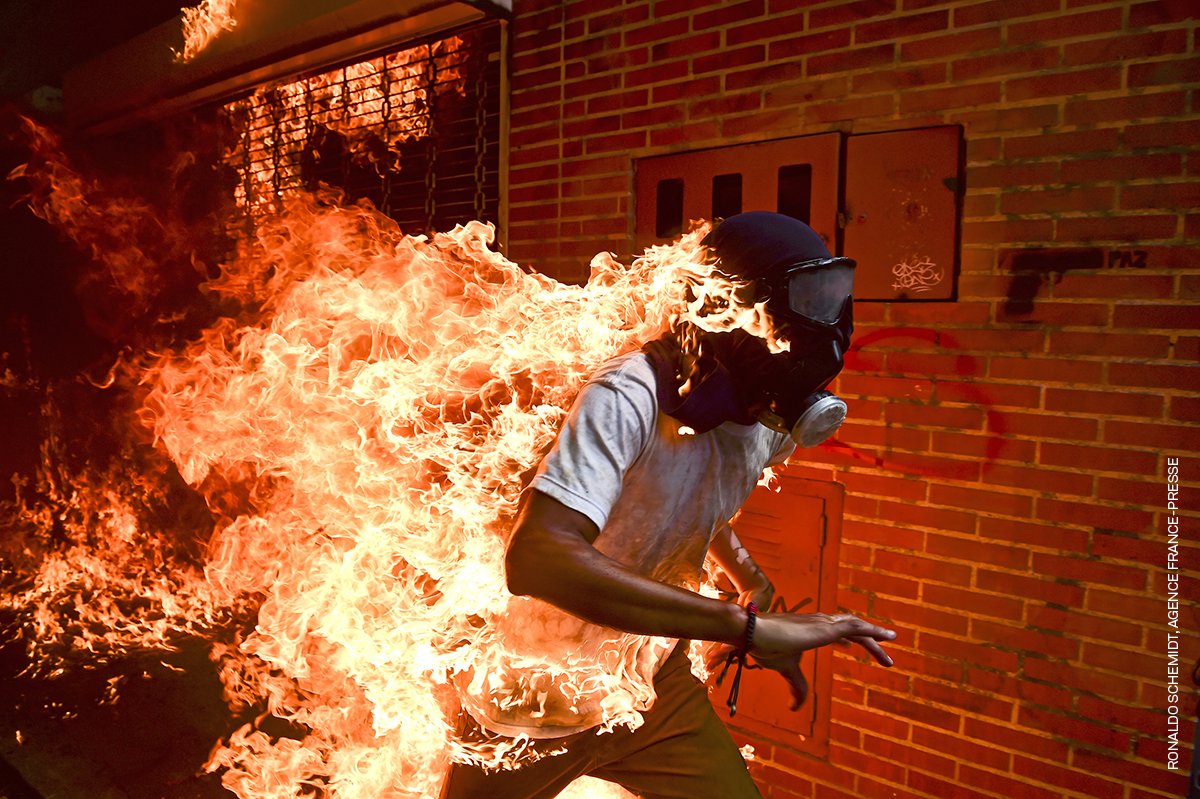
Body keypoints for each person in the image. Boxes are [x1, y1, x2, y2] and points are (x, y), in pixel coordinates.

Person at [441, 212, 897, 799]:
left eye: (833, 296)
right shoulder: (627, 395)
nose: (824, 325)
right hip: (535, 698)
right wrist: (747, 628)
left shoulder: (769, 419)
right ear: (726, 305)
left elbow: (686, 496)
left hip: (651, 682)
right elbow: (537, 558)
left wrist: (750, 581)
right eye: (807, 298)